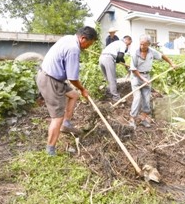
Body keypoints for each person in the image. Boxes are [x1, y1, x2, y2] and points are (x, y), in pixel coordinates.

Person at [36, 26, 98, 156]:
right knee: (57, 116)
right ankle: (50, 149)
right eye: (89, 44)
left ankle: (66, 123)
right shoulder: (73, 49)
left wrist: (78, 91)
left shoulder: (68, 38)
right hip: (50, 80)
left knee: (73, 95)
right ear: (83, 38)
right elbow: (72, 78)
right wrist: (83, 89)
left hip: (50, 77)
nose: (88, 47)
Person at [128, 34, 176, 129]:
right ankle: (132, 119)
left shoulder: (151, 52)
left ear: (149, 44)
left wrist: (171, 63)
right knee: (137, 98)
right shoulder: (135, 52)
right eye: (141, 44)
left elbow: (162, 56)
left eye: (144, 45)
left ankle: (144, 118)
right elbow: (133, 69)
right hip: (136, 77)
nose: (142, 46)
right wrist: (143, 79)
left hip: (147, 76)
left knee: (146, 99)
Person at [99, 35, 132, 102]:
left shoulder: (117, 43)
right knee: (112, 79)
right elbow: (120, 57)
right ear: (127, 40)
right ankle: (116, 97)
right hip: (108, 59)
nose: (129, 45)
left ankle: (109, 93)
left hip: (101, 58)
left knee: (108, 78)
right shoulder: (123, 44)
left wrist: (123, 62)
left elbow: (120, 58)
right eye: (129, 43)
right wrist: (119, 60)